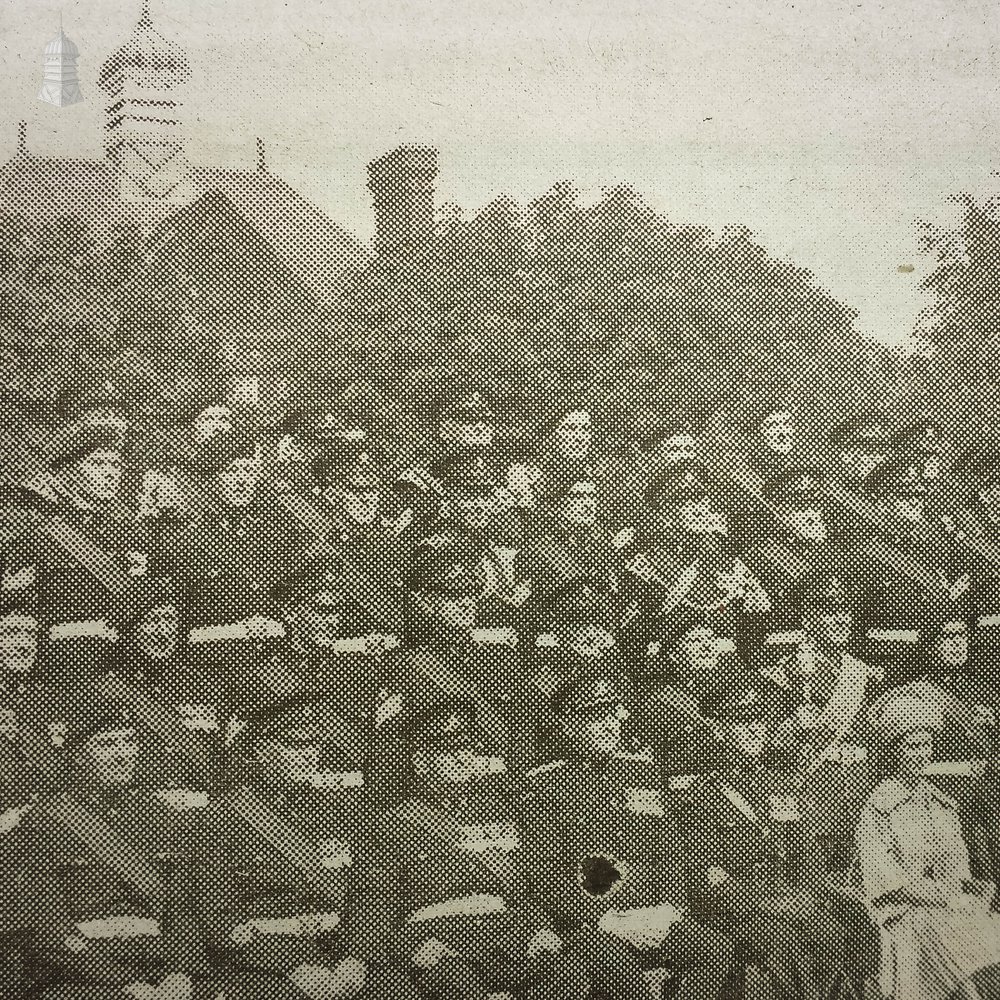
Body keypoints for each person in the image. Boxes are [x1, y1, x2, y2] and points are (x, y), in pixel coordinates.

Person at [520, 666, 735, 1000]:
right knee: (620, 970)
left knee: (713, 950)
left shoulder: (642, 771)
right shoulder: (545, 785)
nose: (611, 722)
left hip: (653, 913)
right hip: (592, 923)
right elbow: (546, 877)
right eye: (596, 714)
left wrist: (669, 908)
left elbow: (669, 851)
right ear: (568, 724)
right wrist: (604, 918)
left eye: (613, 711)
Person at [200, 693, 417, 999]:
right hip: (265, 963)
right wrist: (294, 965)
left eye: (314, 744)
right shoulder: (226, 817)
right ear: (262, 749)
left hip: (342, 949)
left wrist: (355, 959)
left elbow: (371, 890)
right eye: (295, 744)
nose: (308, 755)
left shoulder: (340, 810)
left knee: (400, 989)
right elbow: (219, 916)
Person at [1, 686, 211, 997]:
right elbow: (50, 927)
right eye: (107, 744)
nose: (123, 754)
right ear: (78, 755)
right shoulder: (44, 821)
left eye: (129, 742)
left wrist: (181, 974)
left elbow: (181, 906)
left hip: (160, 966)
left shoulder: (154, 813)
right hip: (82, 975)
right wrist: (127, 984)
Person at [376, 701, 583, 1000]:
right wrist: (414, 946)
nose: (465, 758)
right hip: (439, 943)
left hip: (509, 934)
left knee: (567, 971)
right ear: (421, 763)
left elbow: (537, 881)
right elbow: (375, 901)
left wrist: (539, 927)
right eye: (451, 750)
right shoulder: (395, 823)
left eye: (470, 748)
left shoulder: (504, 810)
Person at [685, 680, 849, 1000]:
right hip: (731, 908)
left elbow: (804, 849)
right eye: (742, 721)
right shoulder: (701, 792)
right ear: (721, 728)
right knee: (781, 941)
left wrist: (811, 895)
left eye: (760, 721)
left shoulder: (777, 784)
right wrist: (768, 903)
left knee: (835, 932)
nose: (753, 730)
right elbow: (706, 873)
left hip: (782, 894)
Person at [856, 684, 1000, 1000]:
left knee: (990, 937)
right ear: (894, 750)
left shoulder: (939, 803)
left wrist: (967, 893)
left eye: (927, 744)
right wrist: (947, 897)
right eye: (912, 746)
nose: (922, 753)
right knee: (961, 956)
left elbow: (957, 867)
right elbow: (890, 883)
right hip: (901, 912)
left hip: (945, 905)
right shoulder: (879, 809)